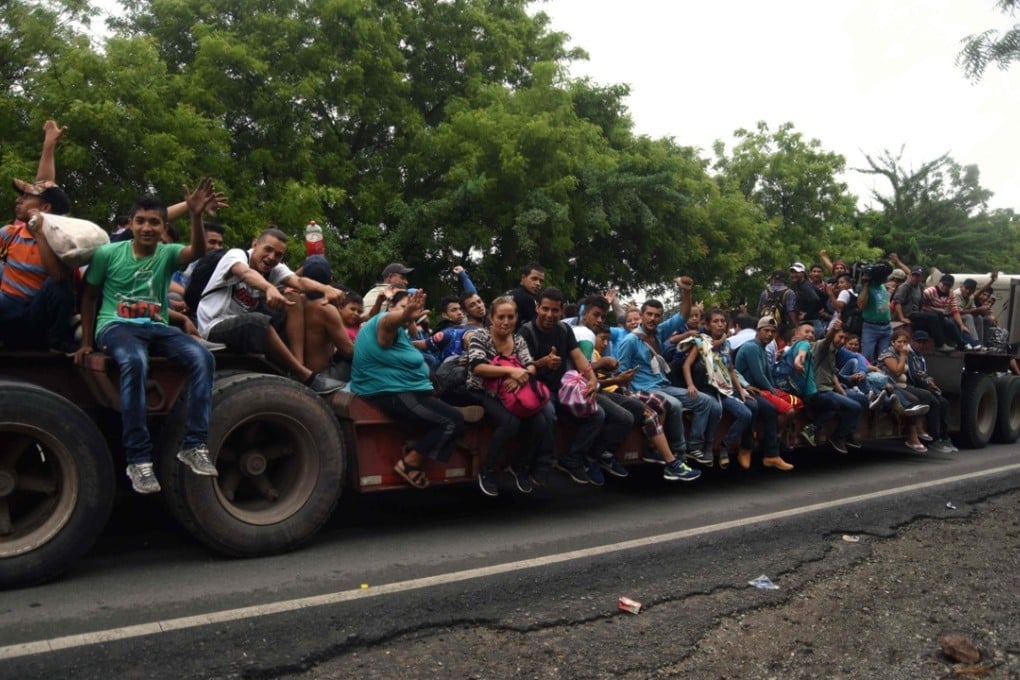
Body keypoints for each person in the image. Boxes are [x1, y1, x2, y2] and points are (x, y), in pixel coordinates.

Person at [75, 183, 220, 494]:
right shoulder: (108, 254)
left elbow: (198, 251)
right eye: (140, 220)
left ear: (163, 227)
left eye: (154, 222)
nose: (147, 227)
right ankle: (138, 459)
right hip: (116, 326)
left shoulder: (167, 254)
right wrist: (86, 341)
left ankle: (194, 445)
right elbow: (88, 297)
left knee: (202, 357)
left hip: (157, 326)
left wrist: (196, 216)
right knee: (135, 361)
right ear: (130, 224)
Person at [195, 227, 345, 394]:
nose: (271, 257)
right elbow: (245, 273)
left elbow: (299, 282)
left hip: (243, 328)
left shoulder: (273, 269)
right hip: (215, 326)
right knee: (257, 321)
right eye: (268, 249)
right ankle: (306, 376)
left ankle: (298, 365)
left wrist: (326, 289)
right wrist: (269, 288)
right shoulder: (237, 255)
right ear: (255, 244)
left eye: (278, 255)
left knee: (293, 299)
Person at [351, 289, 466, 489]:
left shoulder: (402, 334)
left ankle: (416, 445)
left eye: (414, 308)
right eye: (404, 306)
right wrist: (404, 315)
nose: (410, 311)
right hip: (392, 393)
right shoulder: (383, 321)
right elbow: (387, 327)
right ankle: (410, 463)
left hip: (407, 392)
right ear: (391, 308)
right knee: (452, 420)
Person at [521, 288, 629, 484]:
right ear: (537, 308)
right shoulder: (526, 332)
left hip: (562, 388)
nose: (549, 315)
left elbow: (579, 357)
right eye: (545, 309)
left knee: (597, 414)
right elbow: (521, 369)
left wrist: (592, 380)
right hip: (536, 389)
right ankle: (542, 463)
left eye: (554, 310)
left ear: (561, 311)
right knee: (549, 414)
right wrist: (542, 363)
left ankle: (572, 458)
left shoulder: (564, 330)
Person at [616, 289, 720, 467]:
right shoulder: (630, 341)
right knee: (675, 404)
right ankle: (679, 452)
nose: (652, 318)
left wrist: (687, 292)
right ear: (641, 315)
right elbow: (621, 374)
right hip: (643, 389)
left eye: (657, 315)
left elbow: (683, 315)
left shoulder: (659, 332)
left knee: (706, 401)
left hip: (663, 386)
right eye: (649, 314)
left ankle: (693, 447)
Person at [0, 120, 76, 353]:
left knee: (60, 286)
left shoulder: (62, 240)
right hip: (6, 309)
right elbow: (44, 185)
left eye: (25, 197)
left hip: (35, 316)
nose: (18, 200)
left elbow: (57, 277)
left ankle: (56, 342)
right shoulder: (9, 233)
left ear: (43, 208)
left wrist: (39, 234)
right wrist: (48, 146)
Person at [467, 296, 555, 496]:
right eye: (501, 317)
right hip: (481, 391)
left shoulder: (518, 339)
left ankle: (520, 467)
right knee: (510, 423)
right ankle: (488, 471)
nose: (506, 322)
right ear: (491, 317)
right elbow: (477, 367)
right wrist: (510, 372)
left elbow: (530, 365)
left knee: (541, 422)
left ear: (516, 318)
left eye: (510, 317)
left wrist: (520, 377)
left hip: (514, 391)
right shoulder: (480, 336)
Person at [681, 308, 759, 469]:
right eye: (716, 321)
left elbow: (730, 369)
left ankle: (725, 446)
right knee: (715, 409)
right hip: (706, 390)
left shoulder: (727, 344)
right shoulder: (701, 342)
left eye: (723, 321)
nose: (720, 324)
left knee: (746, 414)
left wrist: (742, 390)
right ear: (708, 325)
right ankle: (708, 447)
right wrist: (690, 385)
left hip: (724, 390)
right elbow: (686, 365)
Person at [733, 316, 794, 470]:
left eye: (773, 331)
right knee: (755, 407)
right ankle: (746, 447)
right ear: (758, 331)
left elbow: (767, 374)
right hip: (743, 389)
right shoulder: (751, 347)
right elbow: (759, 376)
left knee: (771, 410)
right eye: (766, 330)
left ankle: (771, 455)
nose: (769, 334)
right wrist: (774, 393)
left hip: (757, 390)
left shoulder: (762, 348)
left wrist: (774, 391)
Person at [876, 329, 934, 452]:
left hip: (903, 385)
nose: (902, 344)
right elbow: (897, 371)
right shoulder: (888, 354)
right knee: (913, 401)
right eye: (899, 341)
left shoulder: (904, 354)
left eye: (904, 342)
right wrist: (903, 356)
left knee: (926, 396)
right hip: (889, 385)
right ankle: (912, 437)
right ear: (893, 342)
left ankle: (920, 428)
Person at [903, 330, 956, 453]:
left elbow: (924, 374)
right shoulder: (909, 355)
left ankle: (945, 437)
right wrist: (927, 385)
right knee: (933, 401)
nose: (920, 345)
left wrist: (931, 382)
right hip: (910, 385)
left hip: (922, 385)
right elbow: (912, 376)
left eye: (923, 342)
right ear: (913, 341)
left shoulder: (920, 356)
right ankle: (934, 439)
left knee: (944, 402)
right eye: (918, 342)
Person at [508, 262, 545, 330]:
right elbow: (535, 328)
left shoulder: (507, 294)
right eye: (534, 279)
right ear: (523, 277)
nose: (538, 283)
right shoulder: (528, 299)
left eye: (541, 281)